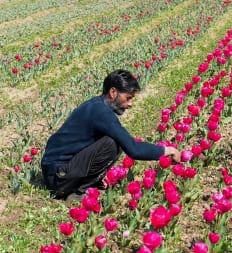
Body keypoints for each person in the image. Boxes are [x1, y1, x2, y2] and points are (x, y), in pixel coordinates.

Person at [41, 69, 179, 199]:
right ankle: (77, 191)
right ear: (113, 92)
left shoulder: (95, 104)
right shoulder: (101, 113)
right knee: (113, 143)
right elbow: (133, 149)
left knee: (112, 140)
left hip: (55, 171)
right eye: (128, 98)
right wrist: (167, 150)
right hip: (58, 178)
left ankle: (85, 183)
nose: (130, 104)